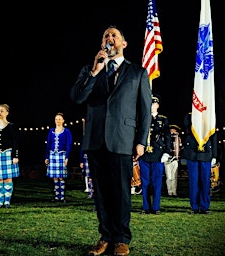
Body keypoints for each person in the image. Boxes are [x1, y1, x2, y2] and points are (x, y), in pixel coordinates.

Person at [70, 25, 152, 256]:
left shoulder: (137, 72)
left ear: (124, 43)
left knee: (121, 193)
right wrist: (95, 72)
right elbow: (77, 98)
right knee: (101, 194)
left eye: (114, 35)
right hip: (96, 141)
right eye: (106, 35)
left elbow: (144, 111)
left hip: (123, 141)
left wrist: (141, 141)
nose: (110, 38)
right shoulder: (90, 70)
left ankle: (122, 239)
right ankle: (105, 237)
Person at [138, 94, 171, 215]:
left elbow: (167, 137)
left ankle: (156, 207)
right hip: (145, 154)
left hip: (158, 154)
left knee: (157, 183)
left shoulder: (163, 119)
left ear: (157, 105)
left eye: (154, 103)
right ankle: (146, 207)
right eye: (150, 103)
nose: (152, 106)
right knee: (145, 182)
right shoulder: (143, 118)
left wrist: (167, 152)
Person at [182, 113, 217, 214]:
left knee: (205, 181)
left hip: (206, 153)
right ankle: (194, 206)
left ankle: (205, 206)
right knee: (194, 182)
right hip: (192, 153)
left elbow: (213, 135)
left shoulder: (209, 113)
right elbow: (187, 125)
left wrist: (214, 155)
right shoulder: (190, 115)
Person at [44, 113, 73, 203]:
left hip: (62, 155)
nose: (58, 121)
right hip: (52, 155)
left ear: (63, 120)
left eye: (60, 119)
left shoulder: (66, 131)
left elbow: (69, 145)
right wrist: (46, 157)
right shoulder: (51, 131)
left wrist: (67, 157)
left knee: (61, 177)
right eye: (56, 119)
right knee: (55, 177)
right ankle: (56, 196)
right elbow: (48, 144)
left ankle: (62, 196)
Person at [164, 124, 182, 197]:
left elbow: (180, 148)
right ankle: (169, 191)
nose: (173, 131)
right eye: (172, 129)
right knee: (169, 177)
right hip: (168, 159)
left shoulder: (178, 138)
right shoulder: (166, 138)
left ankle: (174, 192)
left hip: (175, 159)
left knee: (174, 177)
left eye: (174, 130)